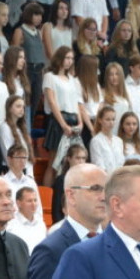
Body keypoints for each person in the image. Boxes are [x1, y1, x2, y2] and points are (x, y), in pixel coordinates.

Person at [42, 46, 85, 183]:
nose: (69, 61)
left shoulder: (73, 80)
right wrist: (63, 124)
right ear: (59, 58)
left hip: (73, 120)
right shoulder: (50, 76)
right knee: (54, 162)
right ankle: (48, 192)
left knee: (72, 162)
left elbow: (77, 102)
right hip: (59, 120)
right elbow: (52, 102)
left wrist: (80, 122)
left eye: (71, 58)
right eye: (67, 58)